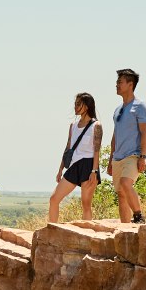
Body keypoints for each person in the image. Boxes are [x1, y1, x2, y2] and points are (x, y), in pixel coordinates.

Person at [48, 92, 102, 225]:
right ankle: (52, 230)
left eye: (79, 104)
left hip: (89, 166)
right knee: (54, 199)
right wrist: (60, 169)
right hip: (73, 165)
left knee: (86, 204)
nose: (75, 107)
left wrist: (94, 171)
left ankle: (88, 236)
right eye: (75, 104)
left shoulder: (97, 126)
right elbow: (67, 148)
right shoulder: (73, 126)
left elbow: (97, 151)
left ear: (87, 106)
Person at [108, 68, 146, 224]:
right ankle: (125, 228)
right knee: (121, 193)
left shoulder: (141, 107)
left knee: (126, 184)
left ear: (130, 84)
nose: (117, 85)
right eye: (117, 82)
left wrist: (143, 157)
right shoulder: (118, 110)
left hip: (133, 155)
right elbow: (115, 135)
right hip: (117, 157)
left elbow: (145, 133)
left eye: (120, 82)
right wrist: (110, 159)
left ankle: (139, 216)